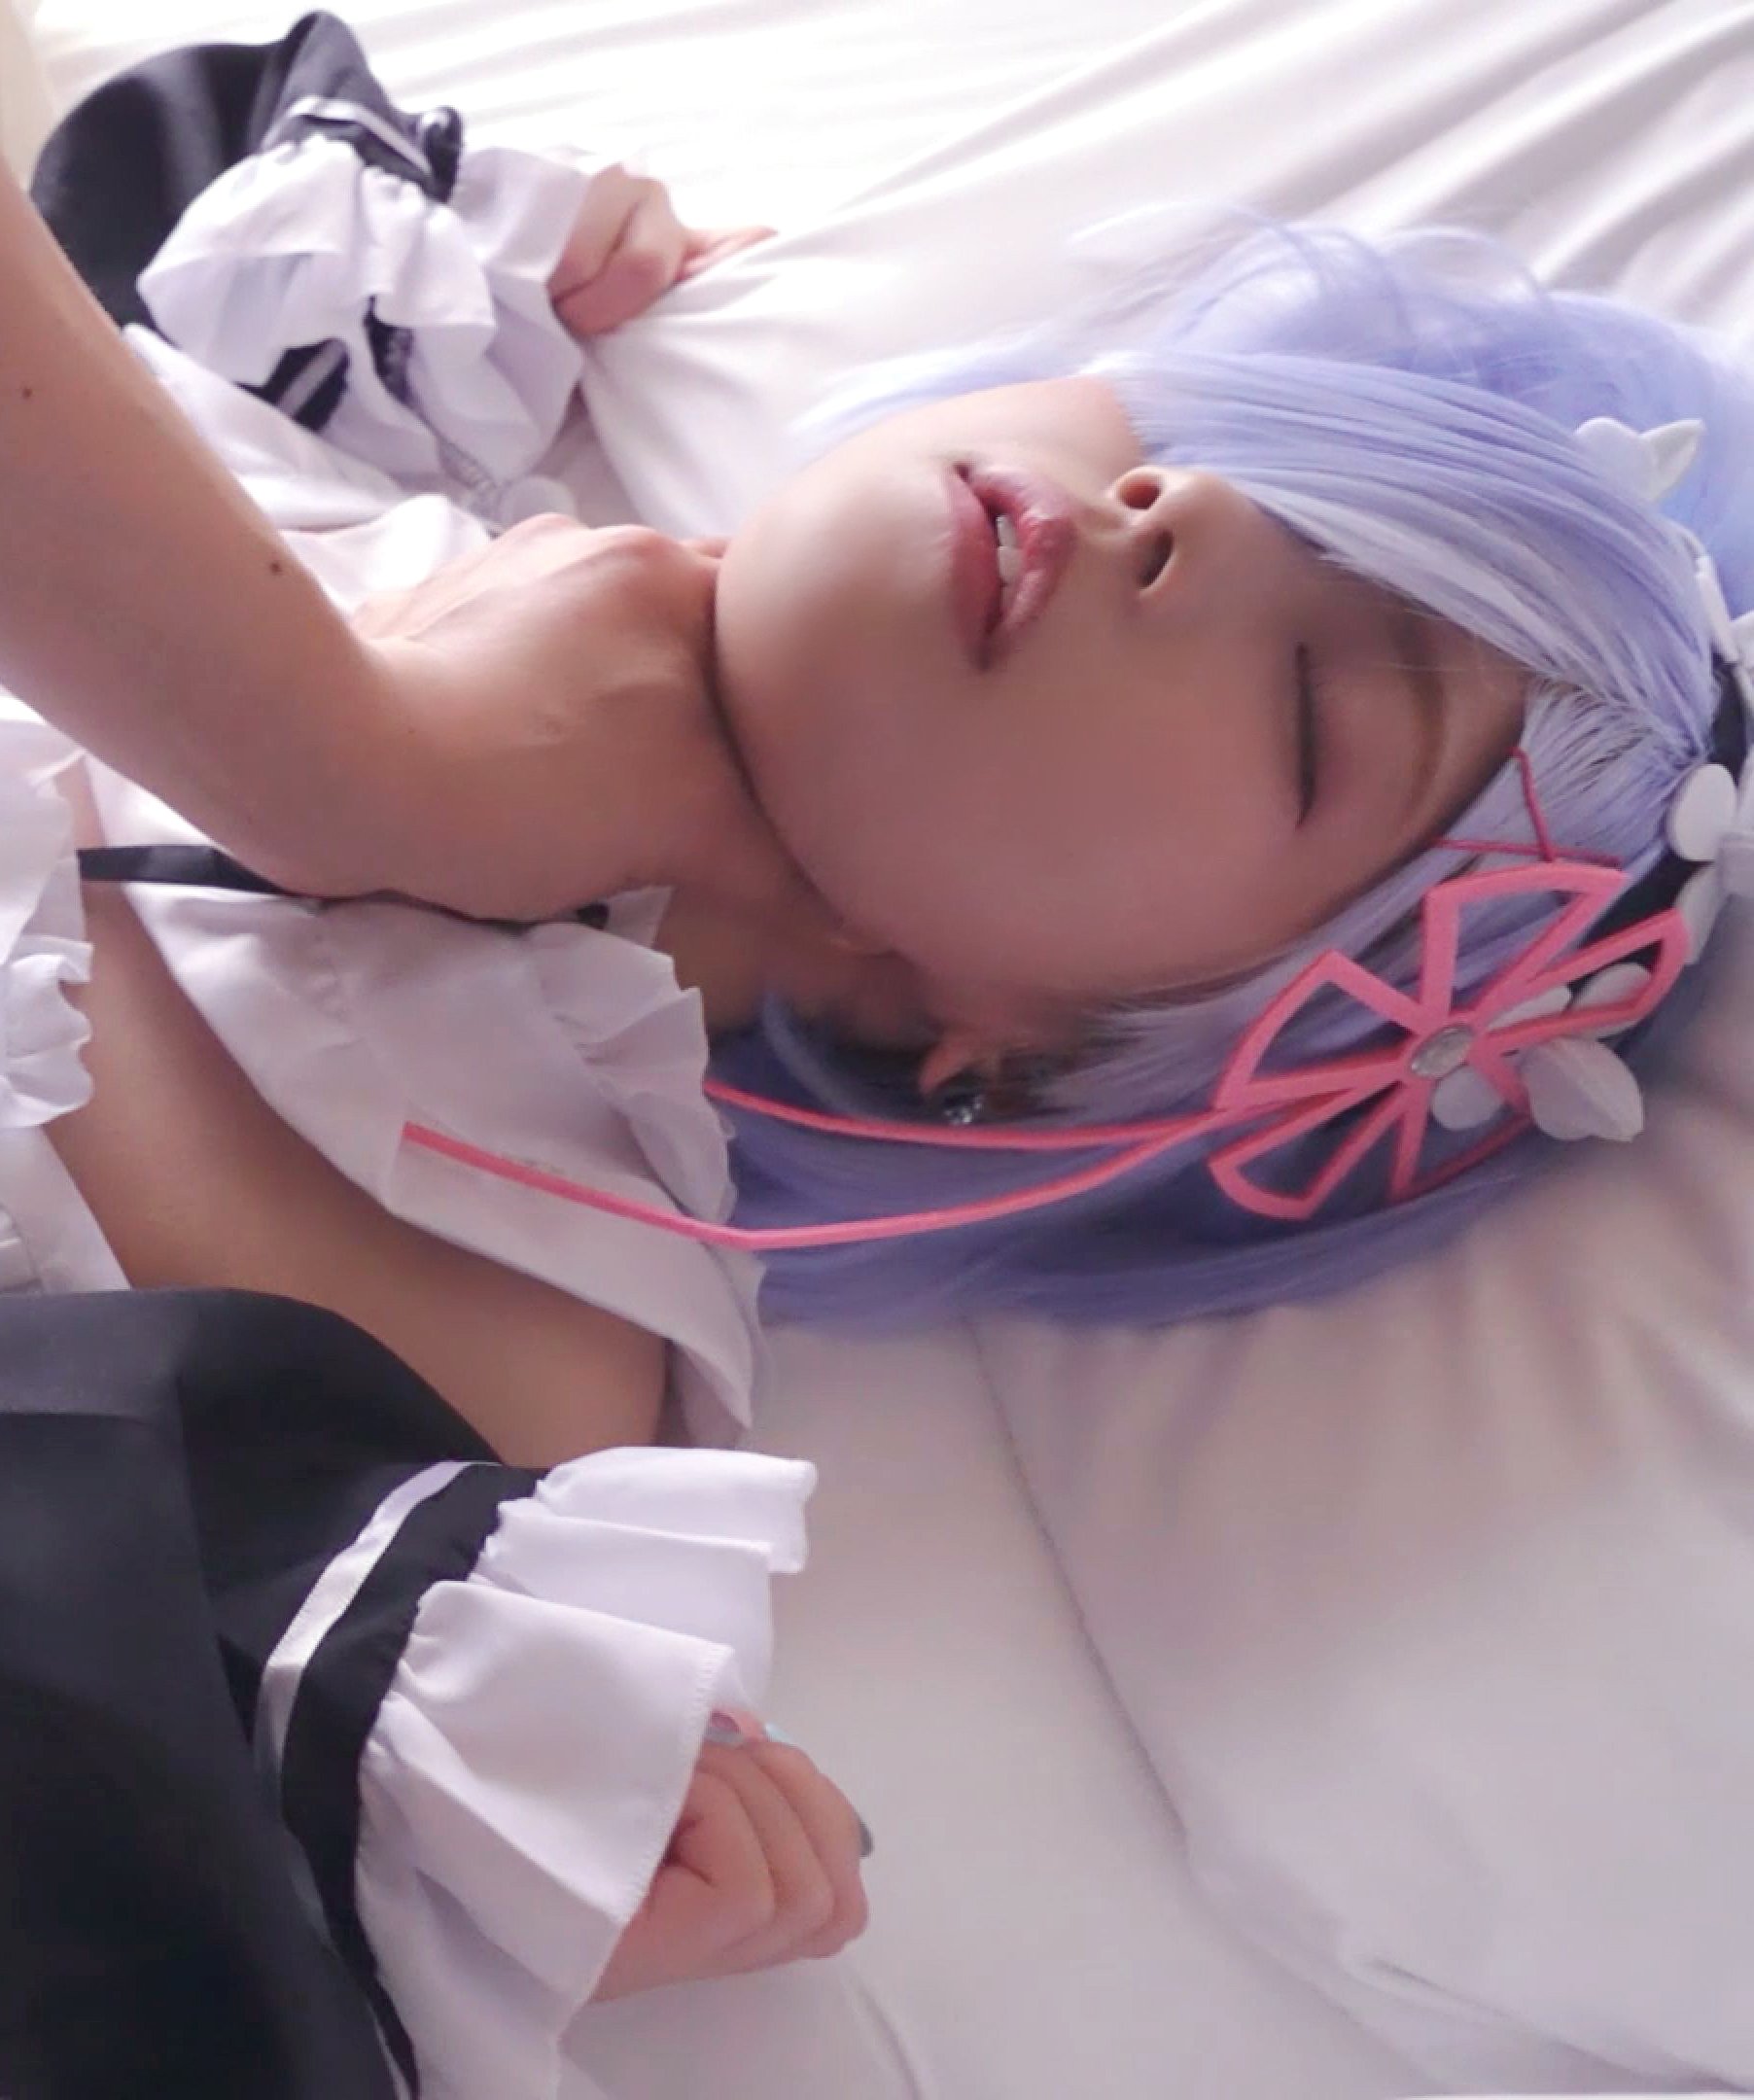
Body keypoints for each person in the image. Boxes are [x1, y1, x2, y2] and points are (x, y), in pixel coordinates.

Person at [6, 7, 1754, 2093]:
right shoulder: (346, 378)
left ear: (1014, 1055)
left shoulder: (525, 1317)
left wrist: (483, 1838)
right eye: (1220, 445)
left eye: (1317, 703)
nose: (1176, 510)